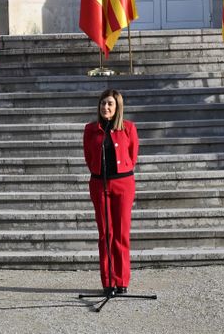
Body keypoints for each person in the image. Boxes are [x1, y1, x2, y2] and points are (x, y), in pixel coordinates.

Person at [83, 89, 139, 296]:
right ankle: (107, 282)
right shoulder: (90, 129)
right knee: (105, 234)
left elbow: (132, 157)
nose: (105, 107)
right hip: (99, 185)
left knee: (121, 234)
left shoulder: (128, 128)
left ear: (117, 108)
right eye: (102, 104)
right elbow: (89, 157)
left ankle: (122, 281)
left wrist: (121, 172)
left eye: (110, 104)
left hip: (123, 184)